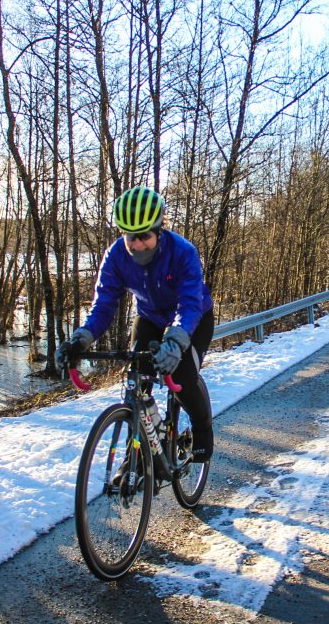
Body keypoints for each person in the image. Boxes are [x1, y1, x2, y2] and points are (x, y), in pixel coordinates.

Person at [57, 186, 215, 464]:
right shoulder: (116, 256)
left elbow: (189, 304)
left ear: (159, 230)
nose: (139, 244)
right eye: (132, 237)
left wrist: (176, 342)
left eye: (146, 237)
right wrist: (81, 339)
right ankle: (139, 456)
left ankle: (203, 429)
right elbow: (104, 305)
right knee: (136, 384)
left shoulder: (182, 252)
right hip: (151, 317)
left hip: (194, 319)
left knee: (182, 377)